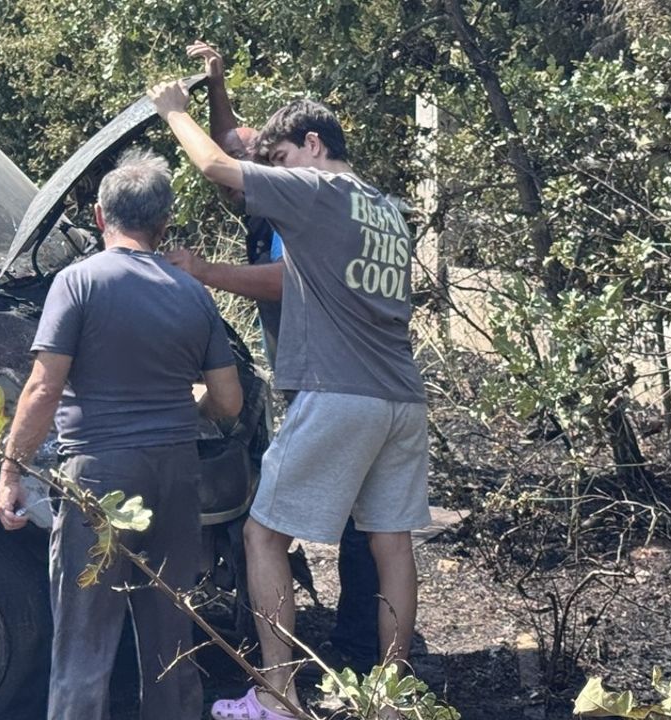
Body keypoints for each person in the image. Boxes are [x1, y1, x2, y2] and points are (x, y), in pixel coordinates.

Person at [149, 81, 431, 719]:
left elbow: (216, 165)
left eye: (279, 159)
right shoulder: (386, 210)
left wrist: (174, 112)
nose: (275, 173)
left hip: (338, 392)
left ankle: (278, 697)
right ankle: (389, 701)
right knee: (391, 543)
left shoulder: (318, 190)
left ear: (313, 144)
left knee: (261, 534)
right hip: (402, 398)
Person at [0, 148, 244, 720]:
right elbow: (228, 401)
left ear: (101, 217)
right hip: (176, 474)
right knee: (170, 637)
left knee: (84, 641)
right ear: (163, 225)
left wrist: (11, 472)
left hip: (100, 477)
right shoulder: (194, 294)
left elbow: (43, 388)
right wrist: (186, 407)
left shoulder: (77, 283)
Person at [168, 41, 384, 678]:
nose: (238, 183)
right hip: (345, 376)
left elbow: (287, 281)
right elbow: (230, 148)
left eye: (268, 163)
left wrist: (204, 271)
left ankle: (332, 655)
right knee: (377, 521)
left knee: (292, 524)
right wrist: (216, 87)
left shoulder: (302, 204)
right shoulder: (283, 202)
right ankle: (374, 658)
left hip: (330, 376)